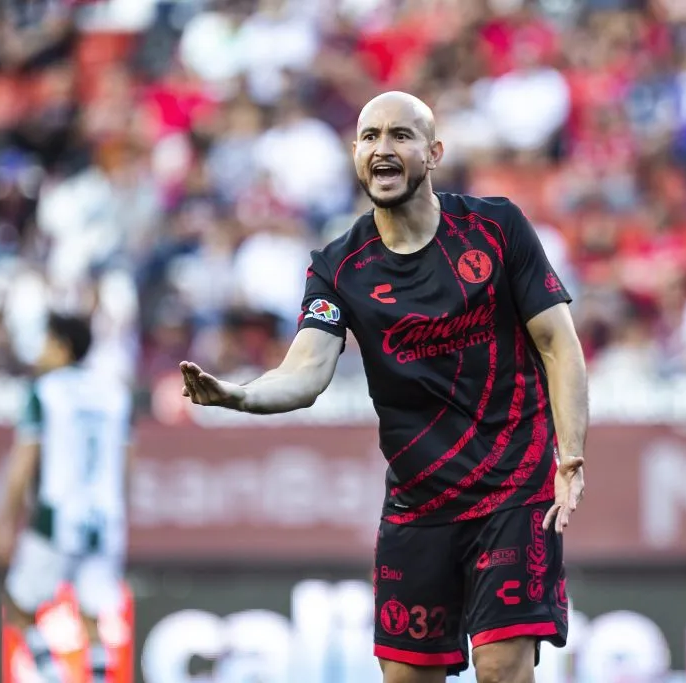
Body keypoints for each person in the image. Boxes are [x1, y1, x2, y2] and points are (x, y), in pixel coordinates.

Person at [179, 91, 588, 683]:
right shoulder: (338, 266)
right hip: (417, 503)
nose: (383, 148)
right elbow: (306, 372)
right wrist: (240, 396)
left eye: (401, 135)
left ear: (433, 152)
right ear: (355, 155)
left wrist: (569, 454)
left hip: (513, 490)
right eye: (370, 137)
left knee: (502, 669)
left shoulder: (497, 228)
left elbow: (559, 343)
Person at [0, 313, 134, 683]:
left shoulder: (45, 391)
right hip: (106, 518)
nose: (40, 351)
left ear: (62, 347)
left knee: (19, 606)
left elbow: (24, 462)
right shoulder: (115, 392)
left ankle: (50, 677)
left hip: (56, 515)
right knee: (92, 615)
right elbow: (127, 466)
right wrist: (120, 513)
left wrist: (6, 520)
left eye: (47, 342)